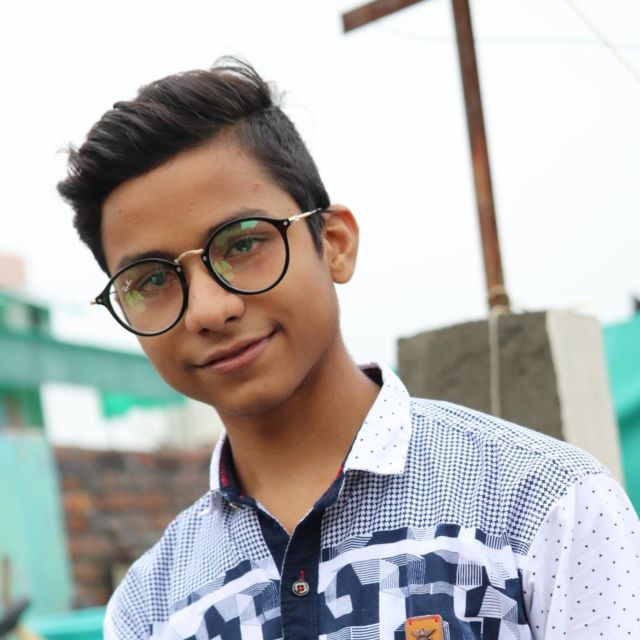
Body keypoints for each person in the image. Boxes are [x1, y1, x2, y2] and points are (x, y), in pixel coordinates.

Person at [57, 58, 640, 640]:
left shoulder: (544, 506)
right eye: (151, 281)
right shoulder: (149, 610)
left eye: (243, 244)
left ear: (334, 243)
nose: (209, 310)